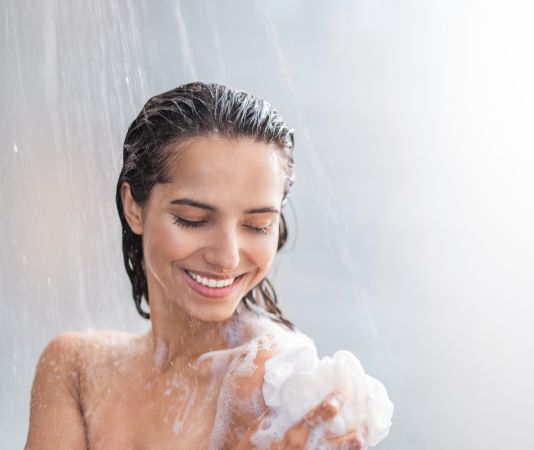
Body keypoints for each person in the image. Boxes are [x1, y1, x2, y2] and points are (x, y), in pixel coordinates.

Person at [25, 82, 367, 450]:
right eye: (192, 219)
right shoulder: (76, 369)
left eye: (257, 225)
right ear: (133, 207)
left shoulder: (277, 385)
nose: (228, 257)